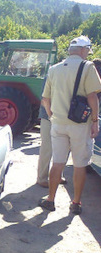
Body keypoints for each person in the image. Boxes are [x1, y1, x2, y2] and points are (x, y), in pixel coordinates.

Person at [39, 36, 101, 215]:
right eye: (88, 50)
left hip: (58, 123)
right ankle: (75, 203)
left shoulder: (54, 69)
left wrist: (52, 117)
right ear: (83, 50)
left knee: (57, 162)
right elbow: (92, 97)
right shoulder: (88, 67)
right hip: (80, 124)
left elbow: (45, 99)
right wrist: (95, 121)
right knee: (79, 164)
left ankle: (50, 200)